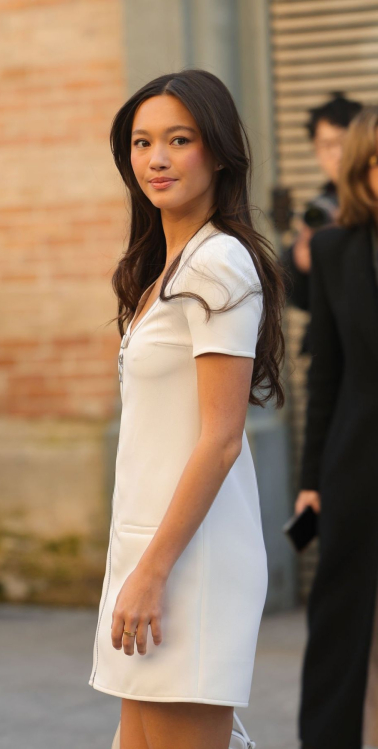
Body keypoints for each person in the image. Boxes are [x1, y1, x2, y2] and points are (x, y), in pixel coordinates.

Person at [87, 69, 286, 749]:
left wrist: (152, 572)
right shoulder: (162, 268)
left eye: (180, 139)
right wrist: (135, 567)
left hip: (187, 566)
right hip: (149, 555)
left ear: (219, 151)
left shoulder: (219, 264)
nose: (158, 158)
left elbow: (221, 439)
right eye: (143, 142)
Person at [294, 105, 378, 749]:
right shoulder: (334, 249)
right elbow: (325, 373)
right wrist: (311, 479)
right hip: (359, 467)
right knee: (344, 621)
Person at [281, 92, 362, 355]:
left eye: (344, 141)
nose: (337, 154)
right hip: (335, 349)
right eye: (326, 145)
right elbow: (300, 298)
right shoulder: (319, 210)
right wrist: (301, 263)